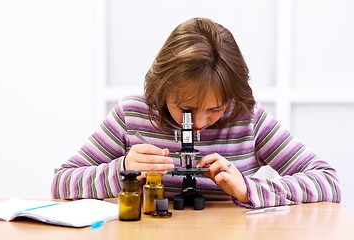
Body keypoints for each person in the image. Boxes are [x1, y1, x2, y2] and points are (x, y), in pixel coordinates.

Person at [51, 17, 341, 208]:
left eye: (215, 109)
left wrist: (248, 189)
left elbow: (328, 182)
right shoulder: (133, 115)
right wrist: (123, 168)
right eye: (186, 109)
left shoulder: (248, 120)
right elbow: (61, 182)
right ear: (162, 89)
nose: (199, 125)